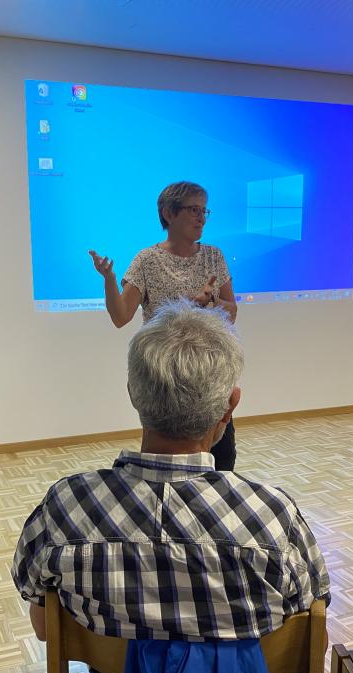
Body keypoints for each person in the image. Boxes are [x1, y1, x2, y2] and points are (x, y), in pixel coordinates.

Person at [13, 300, 330, 673]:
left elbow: (43, 626)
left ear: (133, 392)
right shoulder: (274, 517)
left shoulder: (66, 509)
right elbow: (311, 639)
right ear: (230, 405)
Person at [89, 180, 240, 471]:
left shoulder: (213, 256)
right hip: (165, 373)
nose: (200, 217)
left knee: (222, 457)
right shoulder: (147, 260)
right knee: (167, 455)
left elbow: (231, 312)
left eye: (204, 211)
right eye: (193, 209)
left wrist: (210, 303)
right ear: (169, 213)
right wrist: (109, 279)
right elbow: (121, 316)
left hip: (210, 367)